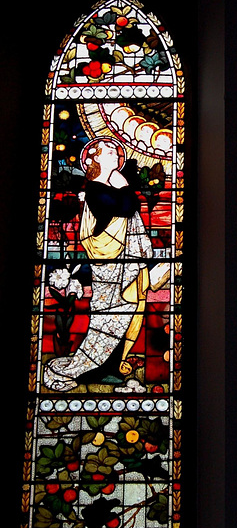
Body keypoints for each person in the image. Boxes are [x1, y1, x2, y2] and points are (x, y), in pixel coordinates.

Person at [44, 137, 153, 391]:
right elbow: (125, 209)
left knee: (122, 313)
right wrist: (124, 187)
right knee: (109, 316)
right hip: (108, 263)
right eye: (110, 153)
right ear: (95, 159)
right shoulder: (95, 190)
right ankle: (93, 368)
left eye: (117, 153)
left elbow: (126, 208)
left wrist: (123, 188)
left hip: (121, 262)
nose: (116, 157)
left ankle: (111, 367)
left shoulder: (106, 187)